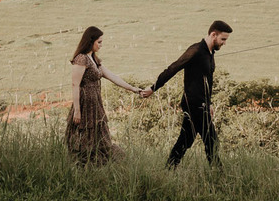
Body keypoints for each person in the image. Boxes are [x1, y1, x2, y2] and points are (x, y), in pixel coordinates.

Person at [142, 20, 232, 168]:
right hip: (193, 104)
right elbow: (173, 68)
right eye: (223, 39)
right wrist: (153, 88)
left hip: (201, 104)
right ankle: (219, 175)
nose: (224, 43)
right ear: (213, 34)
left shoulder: (210, 53)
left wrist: (209, 103)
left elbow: (207, 82)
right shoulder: (196, 50)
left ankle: (168, 169)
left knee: (185, 140)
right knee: (212, 141)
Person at [66, 26, 144, 165]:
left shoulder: (94, 59)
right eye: (99, 42)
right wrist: (77, 110)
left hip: (95, 104)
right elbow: (75, 85)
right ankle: (83, 165)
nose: (101, 45)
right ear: (91, 41)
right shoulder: (81, 59)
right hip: (84, 104)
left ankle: (97, 164)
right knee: (84, 137)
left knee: (100, 137)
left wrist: (133, 89)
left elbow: (112, 76)